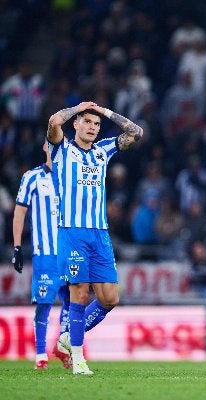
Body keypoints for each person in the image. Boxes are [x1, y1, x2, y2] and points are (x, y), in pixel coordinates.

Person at [46, 101, 144, 375]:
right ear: (75, 124)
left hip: (100, 234)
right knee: (79, 293)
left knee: (110, 298)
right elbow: (54, 121)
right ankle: (78, 358)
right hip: (73, 232)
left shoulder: (103, 150)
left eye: (96, 123)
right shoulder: (62, 149)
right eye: (87, 121)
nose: (92, 127)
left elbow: (136, 133)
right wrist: (79, 107)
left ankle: (67, 337)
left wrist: (106, 112)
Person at [12, 141, 71, 370]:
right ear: (45, 147)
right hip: (45, 252)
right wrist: (17, 247)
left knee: (74, 299)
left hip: (69, 251)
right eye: (53, 144)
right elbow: (20, 211)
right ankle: (40, 355)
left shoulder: (70, 178)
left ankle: (62, 346)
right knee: (44, 303)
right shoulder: (32, 177)